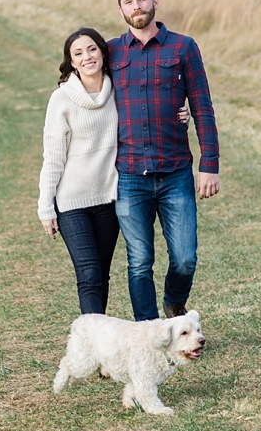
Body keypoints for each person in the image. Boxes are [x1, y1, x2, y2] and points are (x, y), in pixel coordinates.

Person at [38, 27, 189, 315]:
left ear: (103, 53)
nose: (87, 57)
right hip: (72, 203)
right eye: (78, 53)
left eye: (92, 49)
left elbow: (149, 110)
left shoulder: (118, 90)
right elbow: (53, 158)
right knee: (90, 274)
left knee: (102, 275)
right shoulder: (61, 100)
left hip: (110, 198)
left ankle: (96, 337)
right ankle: (90, 342)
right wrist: (46, 207)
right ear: (71, 62)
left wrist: (181, 113)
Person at [108, 0, 220, 322]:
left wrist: (209, 164)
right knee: (139, 260)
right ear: (121, 9)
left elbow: (201, 105)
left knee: (185, 257)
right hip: (129, 174)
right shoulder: (111, 51)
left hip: (175, 172)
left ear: (155, 2)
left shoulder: (183, 47)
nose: (136, 7)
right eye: (128, 2)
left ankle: (174, 303)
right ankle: (148, 332)